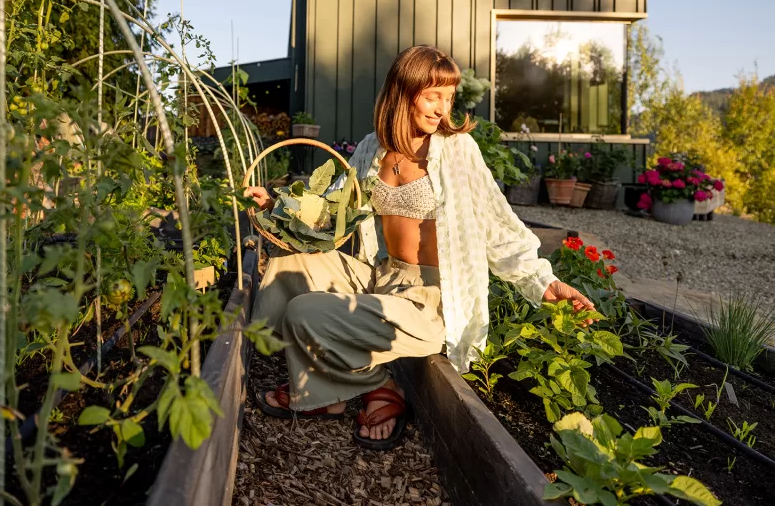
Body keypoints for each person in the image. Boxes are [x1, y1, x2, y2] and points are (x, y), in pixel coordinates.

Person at [244, 45, 597, 450]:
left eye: (449, 98)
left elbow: (500, 227)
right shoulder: (371, 149)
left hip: (429, 299)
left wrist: (543, 283)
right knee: (289, 267)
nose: (442, 109)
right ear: (403, 91)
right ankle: (327, 390)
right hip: (382, 276)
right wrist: (276, 204)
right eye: (433, 96)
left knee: (306, 311)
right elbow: (329, 212)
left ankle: (378, 386)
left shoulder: (457, 152)